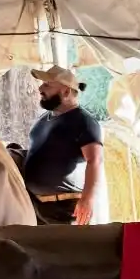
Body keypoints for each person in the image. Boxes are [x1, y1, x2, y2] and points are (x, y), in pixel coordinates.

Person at [22, 65, 103, 225]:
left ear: (66, 92)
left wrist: (87, 200)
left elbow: (95, 160)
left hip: (65, 208)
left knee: (68, 249)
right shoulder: (44, 119)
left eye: (47, 85)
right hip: (36, 206)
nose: (40, 88)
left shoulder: (84, 122)